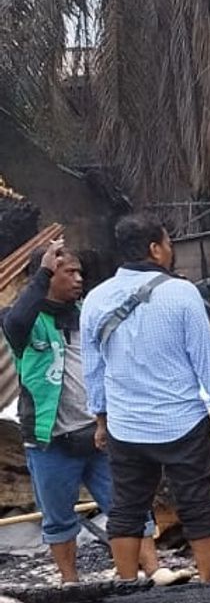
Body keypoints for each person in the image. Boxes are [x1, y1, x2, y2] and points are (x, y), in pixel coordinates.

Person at [81, 213, 210, 583]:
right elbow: (203, 356)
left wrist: (100, 420)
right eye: (169, 244)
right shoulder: (181, 293)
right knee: (197, 503)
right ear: (154, 249)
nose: (171, 250)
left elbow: (93, 368)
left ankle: (128, 586)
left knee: (127, 509)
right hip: (182, 423)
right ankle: (207, 583)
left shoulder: (95, 299)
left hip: (126, 427)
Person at [3, 242, 157, 584]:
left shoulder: (89, 312)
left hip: (100, 433)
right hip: (50, 439)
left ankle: (152, 571)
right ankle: (70, 581)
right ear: (44, 277)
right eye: (67, 272)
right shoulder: (24, 322)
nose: (77, 279)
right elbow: (16, 320)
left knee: (127, 503)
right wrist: (41, 273)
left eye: (79, 272)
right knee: (58, 517)